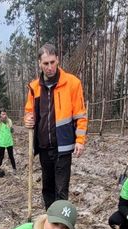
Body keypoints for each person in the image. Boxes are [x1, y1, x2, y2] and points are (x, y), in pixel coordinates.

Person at [24, 43, 88, 210]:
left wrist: (80, 140)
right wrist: (28, 120)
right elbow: (29, 112)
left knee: (61, 189)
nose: (50, 67)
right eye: (46, 64)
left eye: (52, 62)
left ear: (58, 59)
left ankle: (60, 224)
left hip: (64, 146)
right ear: (39, 63)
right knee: (47, 188)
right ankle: (49, 222)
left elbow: (81, 115)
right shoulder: (34, 88)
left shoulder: (72, 83)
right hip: (44, 146)